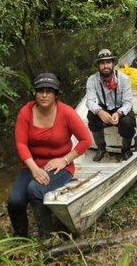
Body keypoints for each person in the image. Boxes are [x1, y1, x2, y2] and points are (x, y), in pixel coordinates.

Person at [9, 73, 92, 238]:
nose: (44, 95)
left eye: (49, 91)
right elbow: (21, 144)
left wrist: (65, 159)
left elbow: (86, 140)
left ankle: (46, 237)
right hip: (32, 164)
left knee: (35, 190)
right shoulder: (26, 112)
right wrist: (33, 168)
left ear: (56, 94)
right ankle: (20, 236)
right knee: (15, 201)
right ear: (35, 93)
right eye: (40, 91)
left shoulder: (66, 113)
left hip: (60, 166)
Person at [85, 49, 137, 162]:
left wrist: (119, 113)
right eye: (102, 63)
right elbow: (89, 101)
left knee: (128, 123)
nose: (105, 66)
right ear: (98, 66)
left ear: (113, 64)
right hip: (103, 108)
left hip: (120, 110)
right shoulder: (92, 80)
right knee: (91, 116)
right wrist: (99, 111)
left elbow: (128, 102)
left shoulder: (124, 79)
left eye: (108, 62)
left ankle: (126, 149)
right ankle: (101, 148)